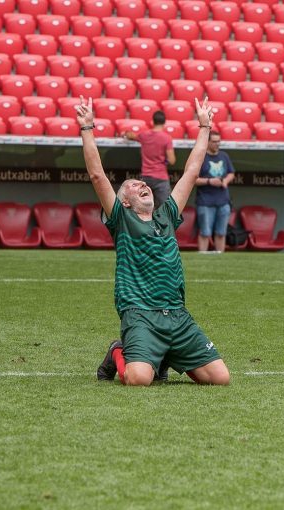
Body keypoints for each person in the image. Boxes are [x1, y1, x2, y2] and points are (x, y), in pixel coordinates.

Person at [77, 96, 230, 386]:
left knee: (220, 378)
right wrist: (87, 129)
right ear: (124, 201)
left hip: (177, 315)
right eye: (133, 186)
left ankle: (165, 355)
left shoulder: (168, 215)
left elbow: (191, 171)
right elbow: (97, 175)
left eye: (143, 183)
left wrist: (205, 125)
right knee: (138, 380)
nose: (142, 185)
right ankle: (117, 352)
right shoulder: (121, 219)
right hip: (141, 315)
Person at [122, 110, 176, 208]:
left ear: (152, 121)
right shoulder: (167, 138)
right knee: (165, 209)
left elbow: (130, 135)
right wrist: (164, 161)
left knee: (143, 208)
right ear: (164, 122)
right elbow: (172, 160)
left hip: (146, 177)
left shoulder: (144, 135)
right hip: (161, 178)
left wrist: (125, 133)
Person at [195, 130, 236, 253]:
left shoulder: (224, 156)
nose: (217, 144)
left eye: (218, 141)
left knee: (221, 232)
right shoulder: (200, 157)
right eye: (214, 142)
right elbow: (193, 179)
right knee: (205, 233)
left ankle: (220, 260)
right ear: (207, 142)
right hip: (205, 201)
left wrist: (226, 181)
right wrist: (209, 181)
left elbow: (231, 173)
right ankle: (202, 258)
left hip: (223, 201)